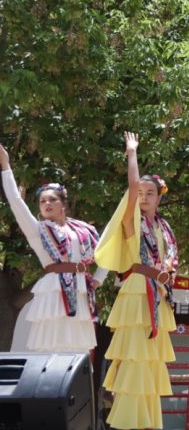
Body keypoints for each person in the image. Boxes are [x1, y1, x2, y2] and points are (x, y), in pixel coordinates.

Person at [95, 132, 178, 430]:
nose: (143, 196)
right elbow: (130, 191)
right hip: (136, 292)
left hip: (158, 295)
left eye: (150, 192)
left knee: (149, 363)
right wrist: (132, 153)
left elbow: (170, 260)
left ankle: (141, 422)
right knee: (133, 360)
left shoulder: (164, 227)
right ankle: (121, 422)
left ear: (159, 197)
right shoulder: (133, 222)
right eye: (140, 192)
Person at [0, 143, 107, 353]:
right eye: (42, 201)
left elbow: (106, 251)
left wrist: (99, 278)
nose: (47, 203)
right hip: (53, 291)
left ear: (63, 204)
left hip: (81, 289)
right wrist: (6, 166)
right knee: (50, 345)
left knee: (78, 348)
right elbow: (15, 201)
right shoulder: (37, 230)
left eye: (52, 199)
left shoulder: (83, 231)